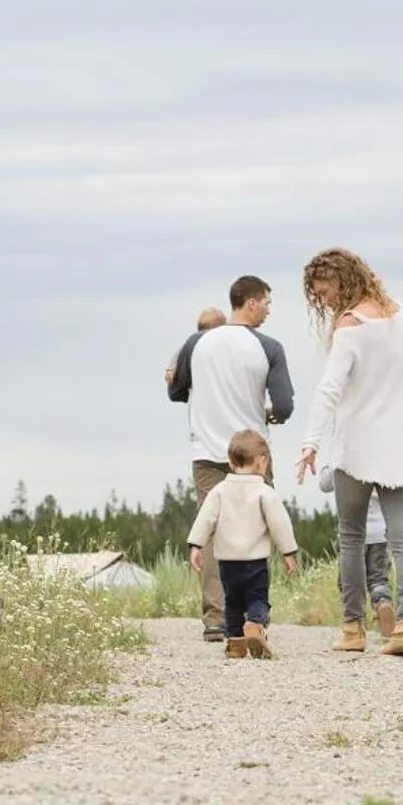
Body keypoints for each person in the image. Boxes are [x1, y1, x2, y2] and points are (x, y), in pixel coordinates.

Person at [294, 248, 403, 656]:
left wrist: (311, 443)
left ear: (344, 281)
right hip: (400, 444)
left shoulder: (350, 326)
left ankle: (352, 629)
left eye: (327, 291)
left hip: (356, 446)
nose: (325, 300)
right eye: (318, 296)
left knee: (351, 536)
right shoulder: (401, 314)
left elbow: (329, 390)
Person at [167, 275, 294, 643]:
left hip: (207, 451)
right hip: (253, 454)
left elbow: (177, 391)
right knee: (262, 522)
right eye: (267, 303)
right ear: (251, 303)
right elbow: (284, 405)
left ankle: (215, 618)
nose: (269, 310)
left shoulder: (196, 344)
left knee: (208, 527)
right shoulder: (269, 347)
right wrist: (269, 414)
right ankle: (256, 612)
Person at [187, 430, 300, 659]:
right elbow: (279, 523)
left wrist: (196, 546)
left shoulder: (218, 491)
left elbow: (205, 518)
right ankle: (255, 625)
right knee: (257, 598)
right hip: (255, 562)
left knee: (232, 602)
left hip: (227, 562)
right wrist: (288, 552)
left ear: (230, 461)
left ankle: (236, 643)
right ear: (263, 462)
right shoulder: (264, 493)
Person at [318, 461, 394, 638]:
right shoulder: (379, 460)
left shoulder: (346, 459)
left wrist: (329, 464)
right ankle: (382, 603)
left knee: (347, 580)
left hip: (352, 536)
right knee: (378, 579)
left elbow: (325, 484)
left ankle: (355, 619)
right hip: (380, 534)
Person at [165, 306, 227, 387]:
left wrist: (170, 370)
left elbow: (176, 358)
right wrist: (170, 370)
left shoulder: (191, 345)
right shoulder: (224, 344)